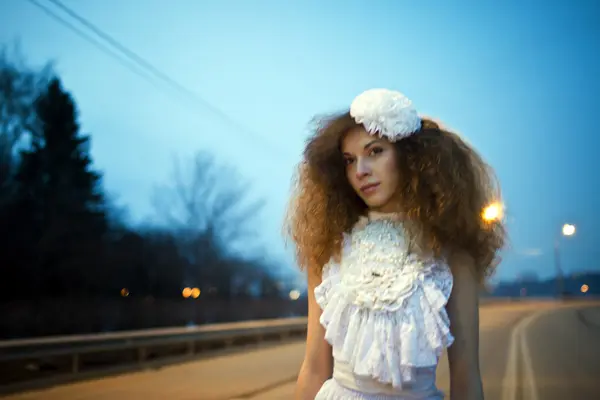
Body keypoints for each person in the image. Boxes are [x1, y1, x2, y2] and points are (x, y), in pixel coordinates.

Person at [283, 88, 506, 399]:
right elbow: (314, 368)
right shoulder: (331, 246)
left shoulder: (451, 251)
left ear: (410, 157)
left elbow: (466, 373)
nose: (360, 171)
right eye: (349, 160)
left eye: (375, 151)